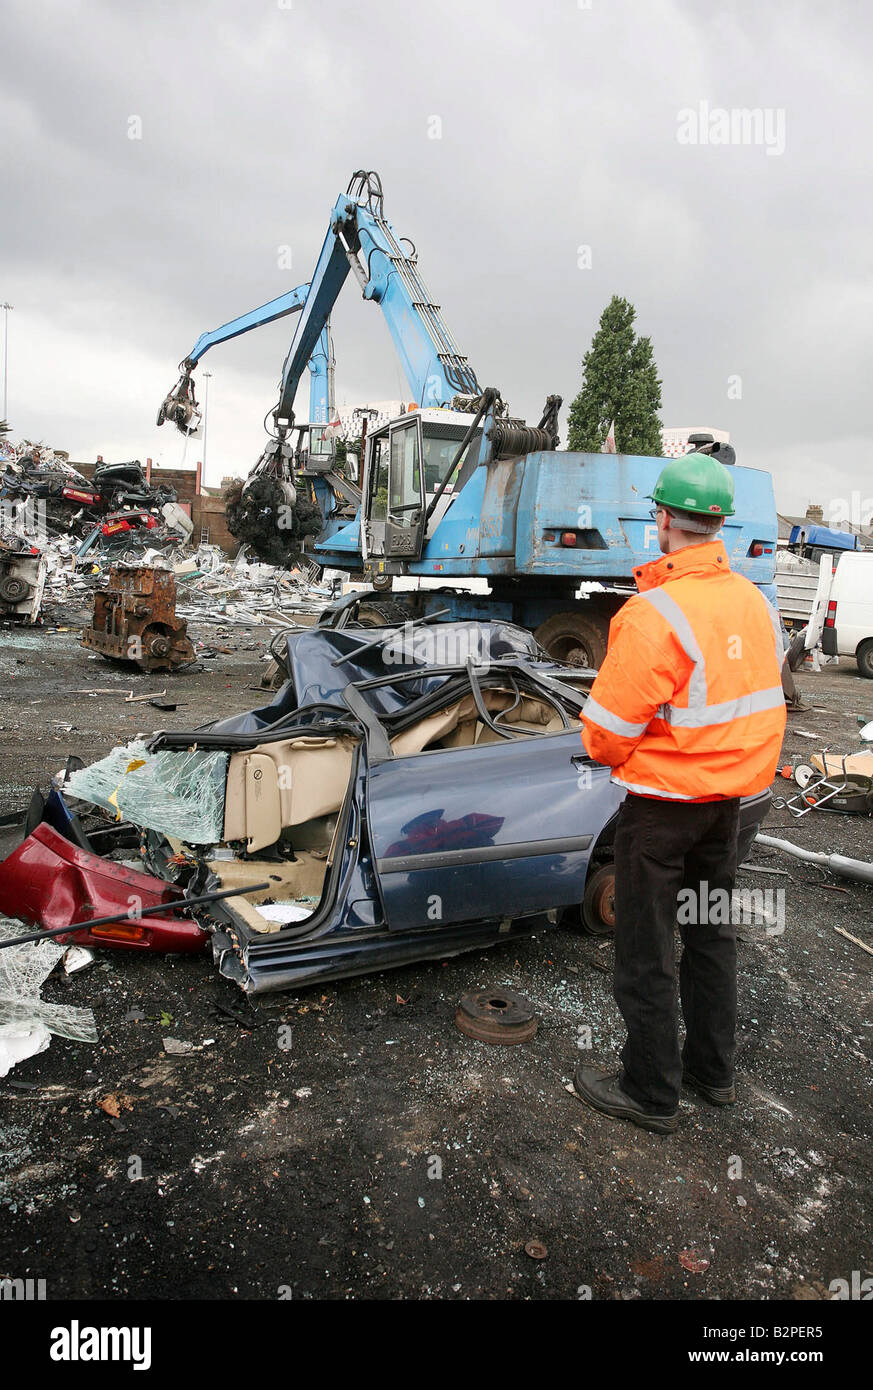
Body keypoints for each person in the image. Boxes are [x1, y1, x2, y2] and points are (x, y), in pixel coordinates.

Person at [574, 452, 786, 1134]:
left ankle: (649, 1091)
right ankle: (711, 1075)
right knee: (710, 935)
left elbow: (604, 738)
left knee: (645, 947)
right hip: (730, 809)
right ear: (717, 523)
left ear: (662, 520)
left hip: (662, 812)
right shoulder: (752, 601)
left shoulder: (651, 613)